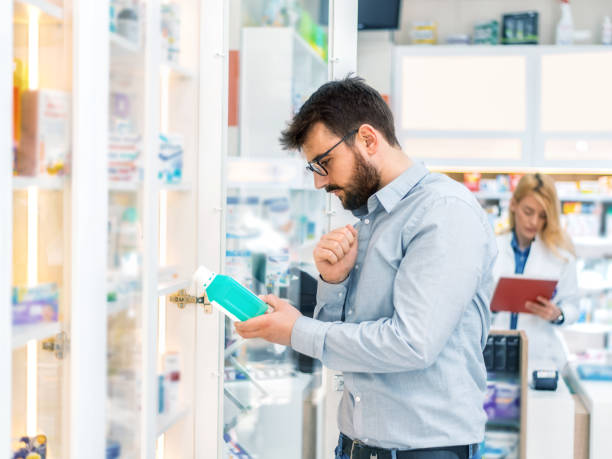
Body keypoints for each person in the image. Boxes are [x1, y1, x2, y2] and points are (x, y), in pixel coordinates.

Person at [234, 76, 497, 459]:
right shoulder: (372, 220)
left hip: (425, 451)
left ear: (369, 140)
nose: (320, 182)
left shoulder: (443, 213)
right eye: (313, 168)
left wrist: (296, 332)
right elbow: (347, 343)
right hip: (357, 446)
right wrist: (334, 281)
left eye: (325, 162)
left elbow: (411, 343)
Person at [491, 173, 579, 369]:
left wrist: (558, 314)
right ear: (514, 205)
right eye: (528, 211)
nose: (534, 222)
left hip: (539, 358)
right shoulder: (490, 248)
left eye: (542, 216)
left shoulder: (561, 257)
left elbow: (573, 306)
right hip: (493, 351)